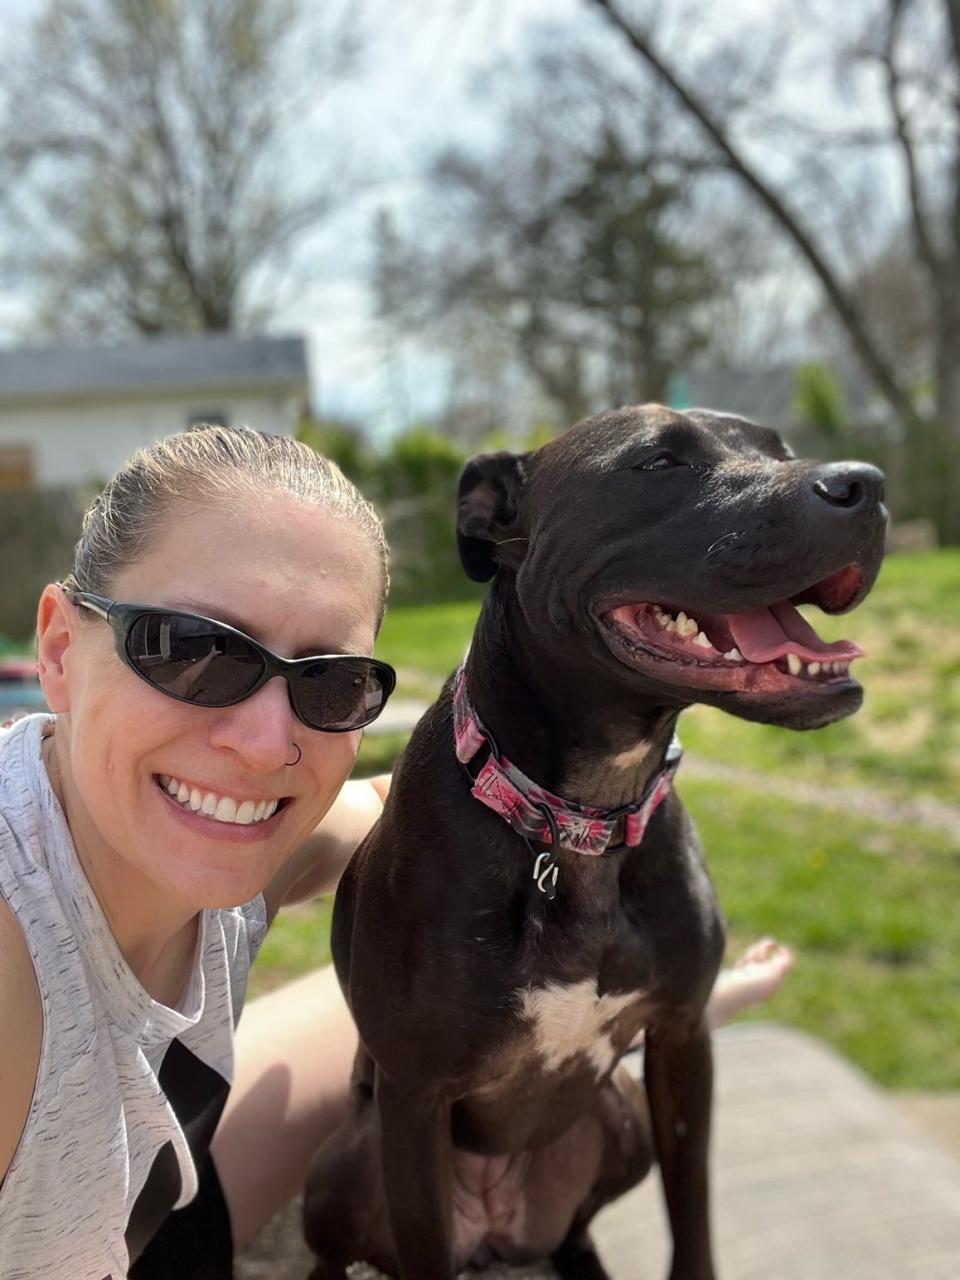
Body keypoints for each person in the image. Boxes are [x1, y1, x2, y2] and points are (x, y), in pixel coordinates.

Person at [0, 424, 793, 1279]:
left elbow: (395, 805)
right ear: (58, 648)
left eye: (331, 680)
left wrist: (664, 969)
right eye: (192, 649)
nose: (268, 744)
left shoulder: (254, 850)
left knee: (393, 1004)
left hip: (161, 1202)